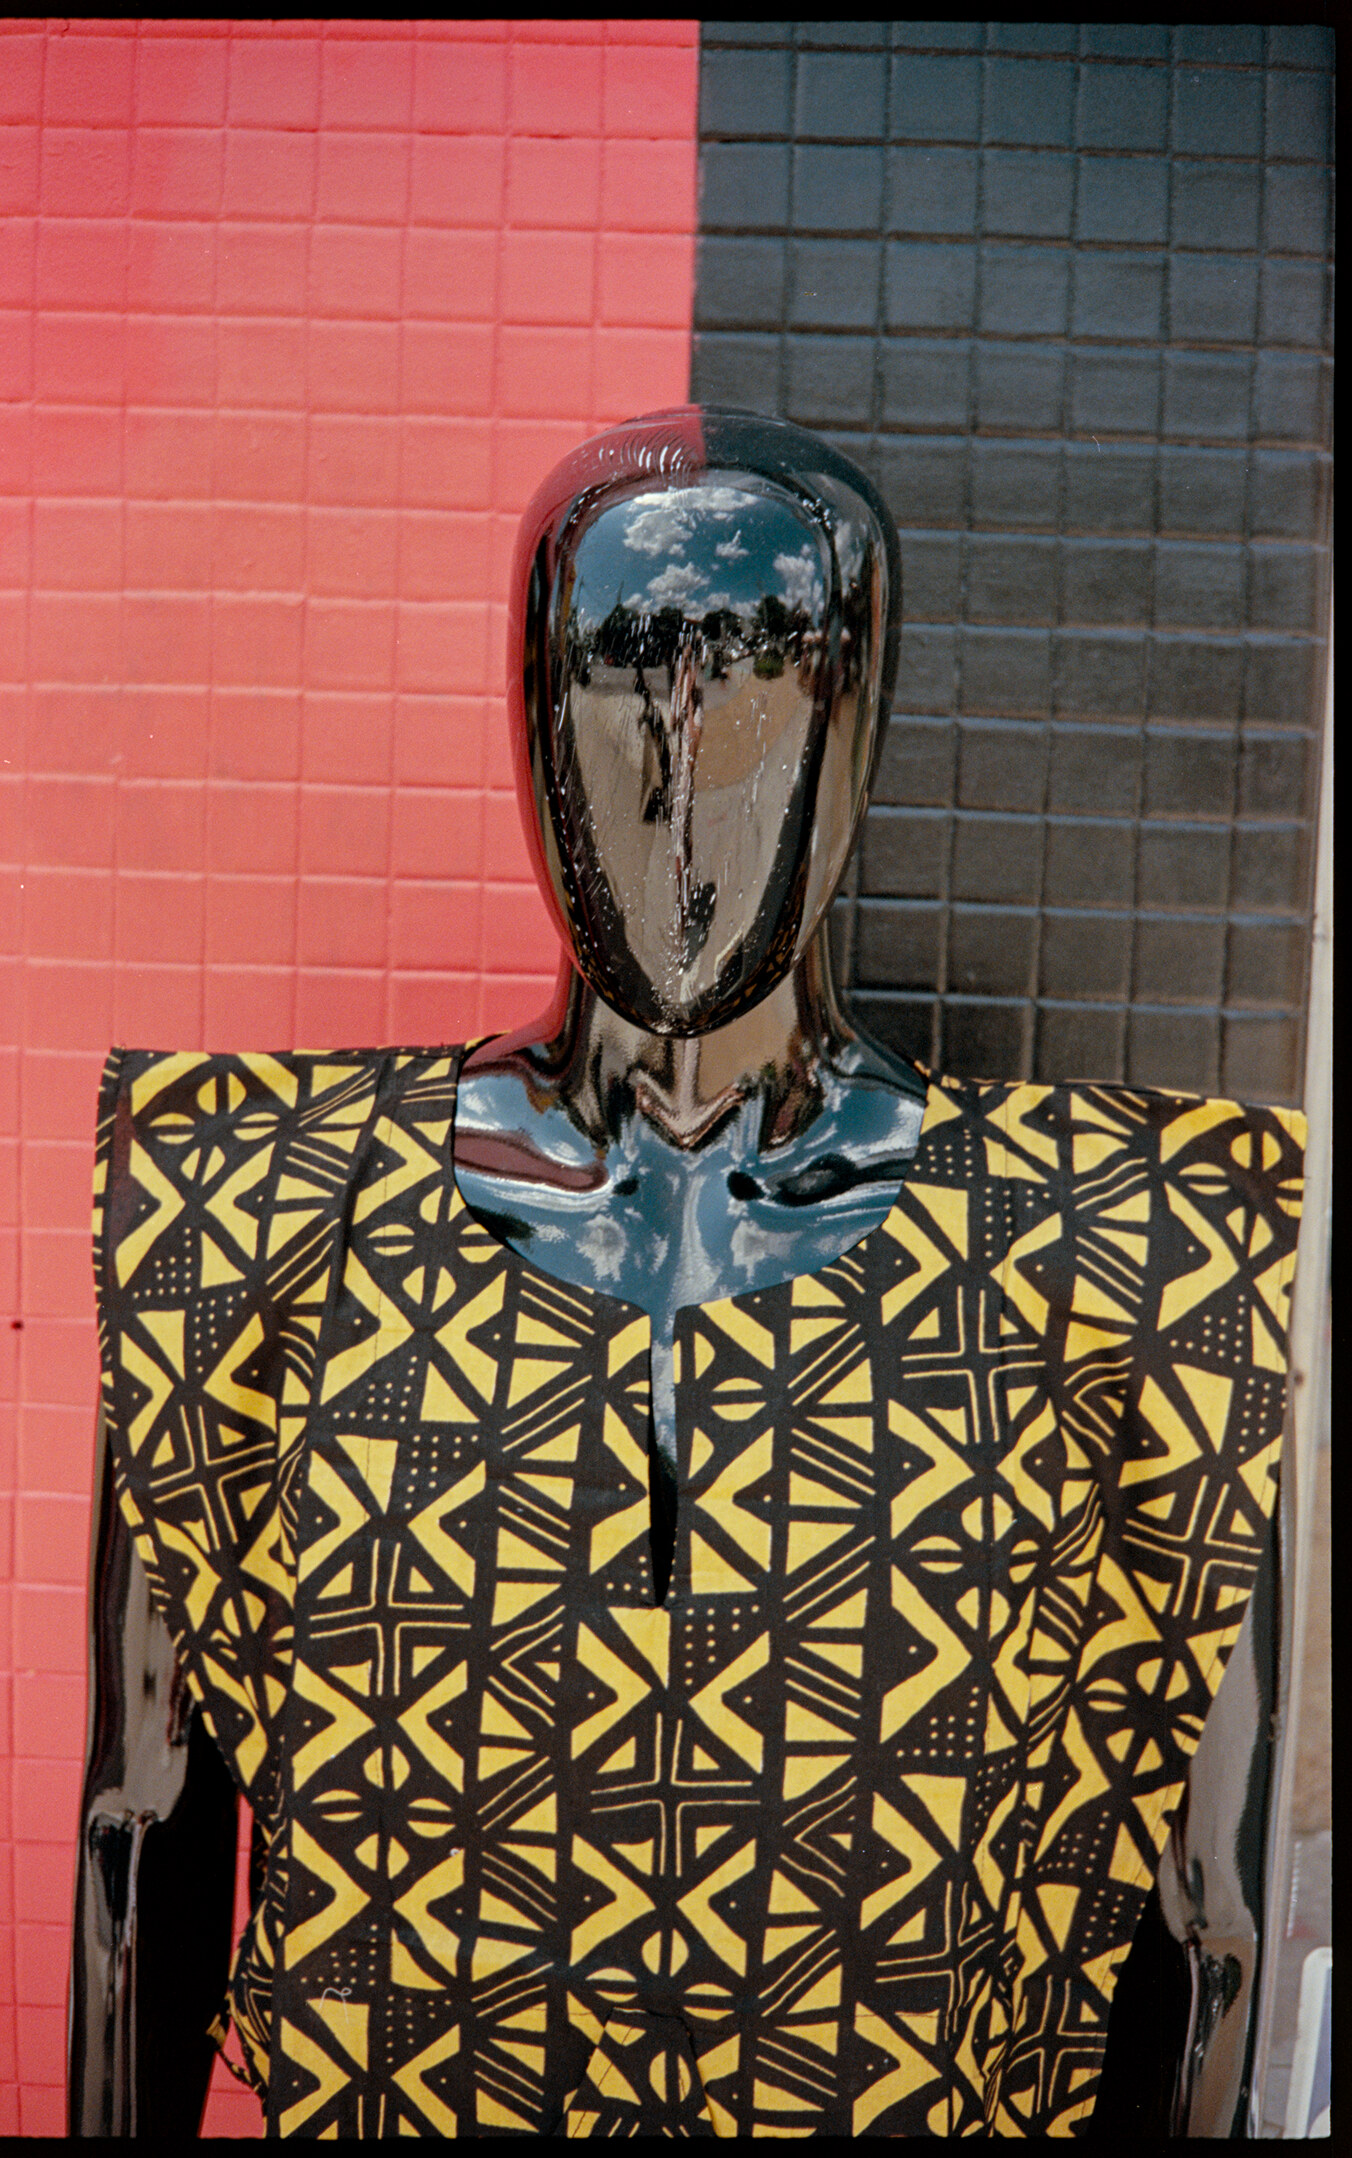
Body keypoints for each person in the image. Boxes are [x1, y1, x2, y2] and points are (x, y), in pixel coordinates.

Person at [71, 408, 1303, 2136]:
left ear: (859, 733)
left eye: (755, 696)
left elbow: (1207, 1932)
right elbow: (141, 1838)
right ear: (522, 727)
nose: (670, 770)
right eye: (607, 684)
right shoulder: (260, 1212)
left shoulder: (1132, 1256)